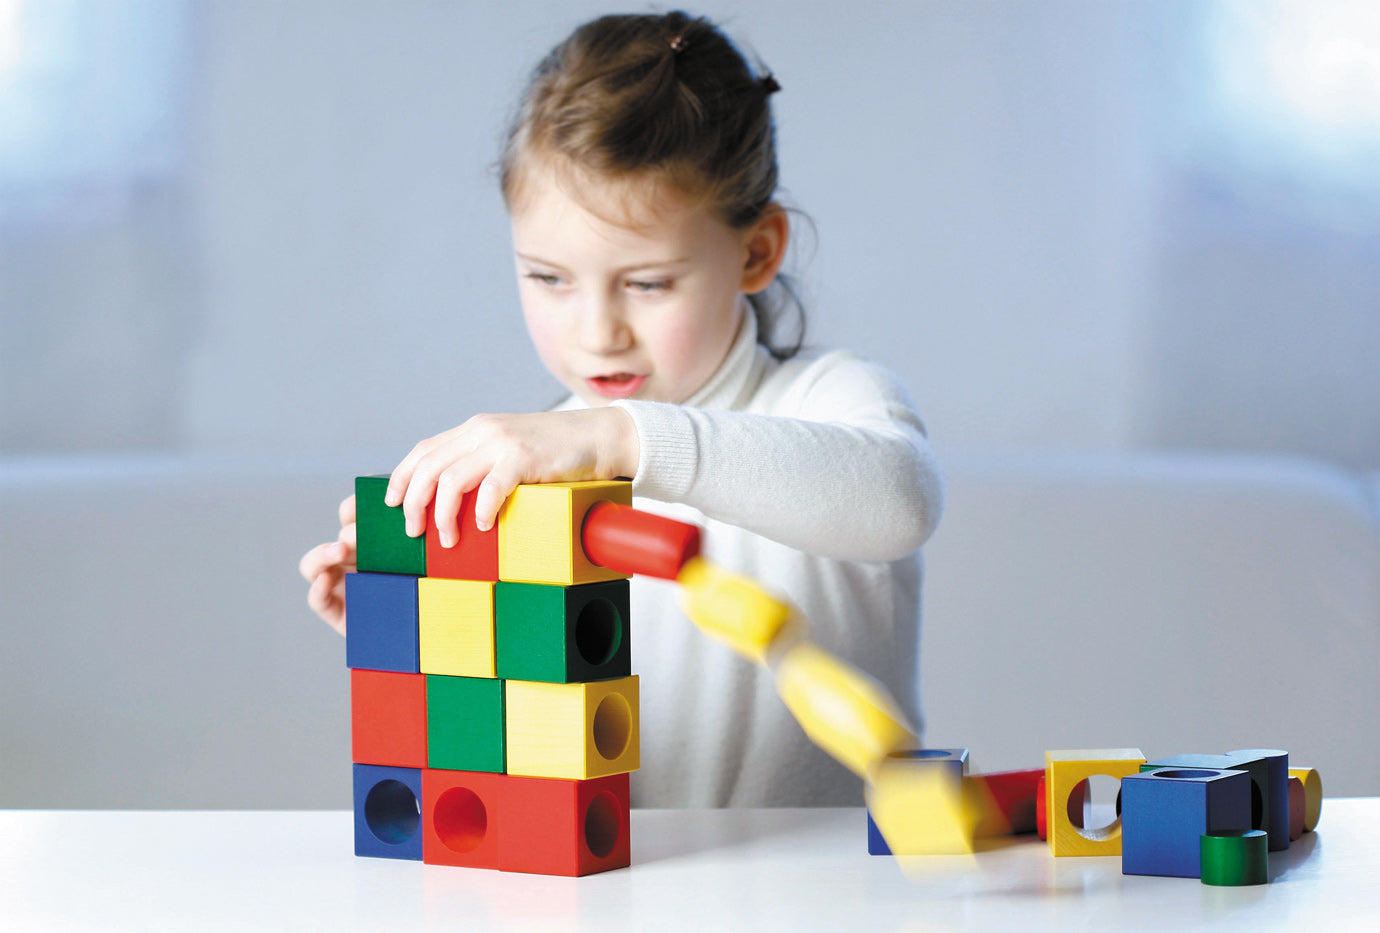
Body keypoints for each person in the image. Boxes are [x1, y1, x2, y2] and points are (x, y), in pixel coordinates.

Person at [299, 10, 942, 808]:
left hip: (828, 890)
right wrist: (418, 624)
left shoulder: (830, 399)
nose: (597, 331)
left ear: (755, 252)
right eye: (548, 278)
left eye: (647, 283)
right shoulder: (535, 466)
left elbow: (901, 502)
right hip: (627, 890)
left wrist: (617, 436)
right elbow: (527, 730)